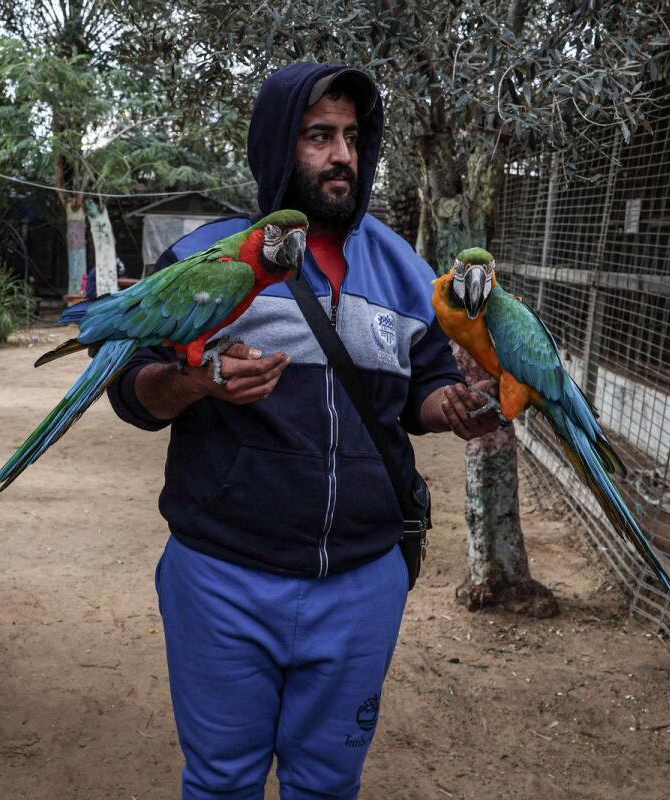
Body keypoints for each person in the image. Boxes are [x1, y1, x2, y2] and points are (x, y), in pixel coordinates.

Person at [106, 63, 501, 799]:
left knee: (327, 784)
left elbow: (424, 387)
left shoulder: (406, 270)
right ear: (278, 147)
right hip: (222, 575)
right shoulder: (204, 258)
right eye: (320, 136)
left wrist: (452, 405)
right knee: (222, 782)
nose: (342, 155)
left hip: (360, 581)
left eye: (352, 137)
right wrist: (198, 381)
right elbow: (132, 393)